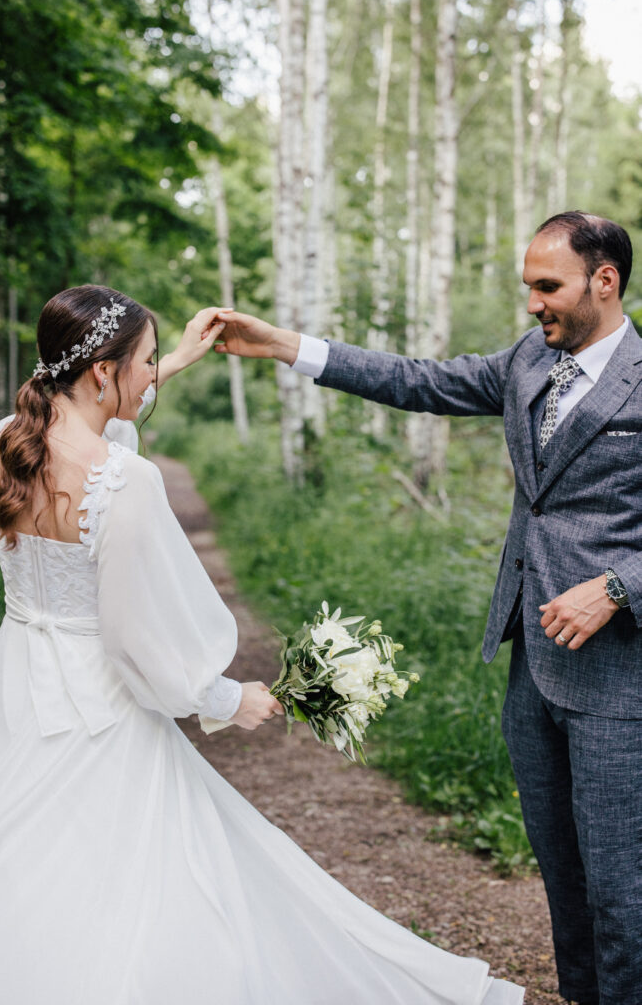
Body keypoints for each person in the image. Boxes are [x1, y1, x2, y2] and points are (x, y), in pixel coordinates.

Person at [0, 284, 523, 1004]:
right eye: (147, 361)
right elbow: (133, 640)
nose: (153, 373)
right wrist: (223, 697)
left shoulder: (4, 444)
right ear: (103, 371)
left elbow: (96, 420)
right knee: (147, 876)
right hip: (98, 707)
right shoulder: (122, 479)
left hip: (19, 686)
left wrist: (175, 361)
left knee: (21, 860)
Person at [214, 211, 642, 1005]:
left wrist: (619, 585)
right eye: (528, 287)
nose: (531, 304)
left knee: (623, 892)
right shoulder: (527, 360)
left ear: (604, 281)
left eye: (546, 287)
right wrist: (285, 346)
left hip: (620, 683)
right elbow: (418, 380)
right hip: (533, 669)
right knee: (565, 883)